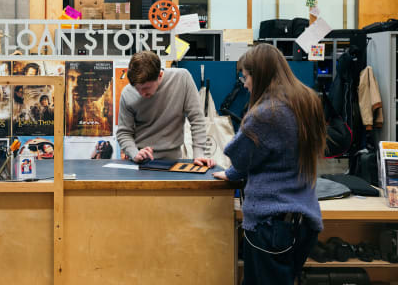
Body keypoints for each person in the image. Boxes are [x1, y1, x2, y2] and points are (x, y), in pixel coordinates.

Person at [212, 43, 326, 285]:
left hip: (270, 225)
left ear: (259, 74)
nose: (244, 84)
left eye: (246, 77)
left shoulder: (266, 113)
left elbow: (239, 154)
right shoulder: (307, 100)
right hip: (302, 220)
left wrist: (231, 173)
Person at [117, 50, 212, 166]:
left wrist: (199, 154)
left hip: (173, 161)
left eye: (146, 88)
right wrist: (134, 153)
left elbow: (197, 118)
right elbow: (124, 132)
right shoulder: (127, 93)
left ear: (160, 75)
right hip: (140, 162)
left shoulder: (182, 78)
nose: (141, 93)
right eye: (137, 89)